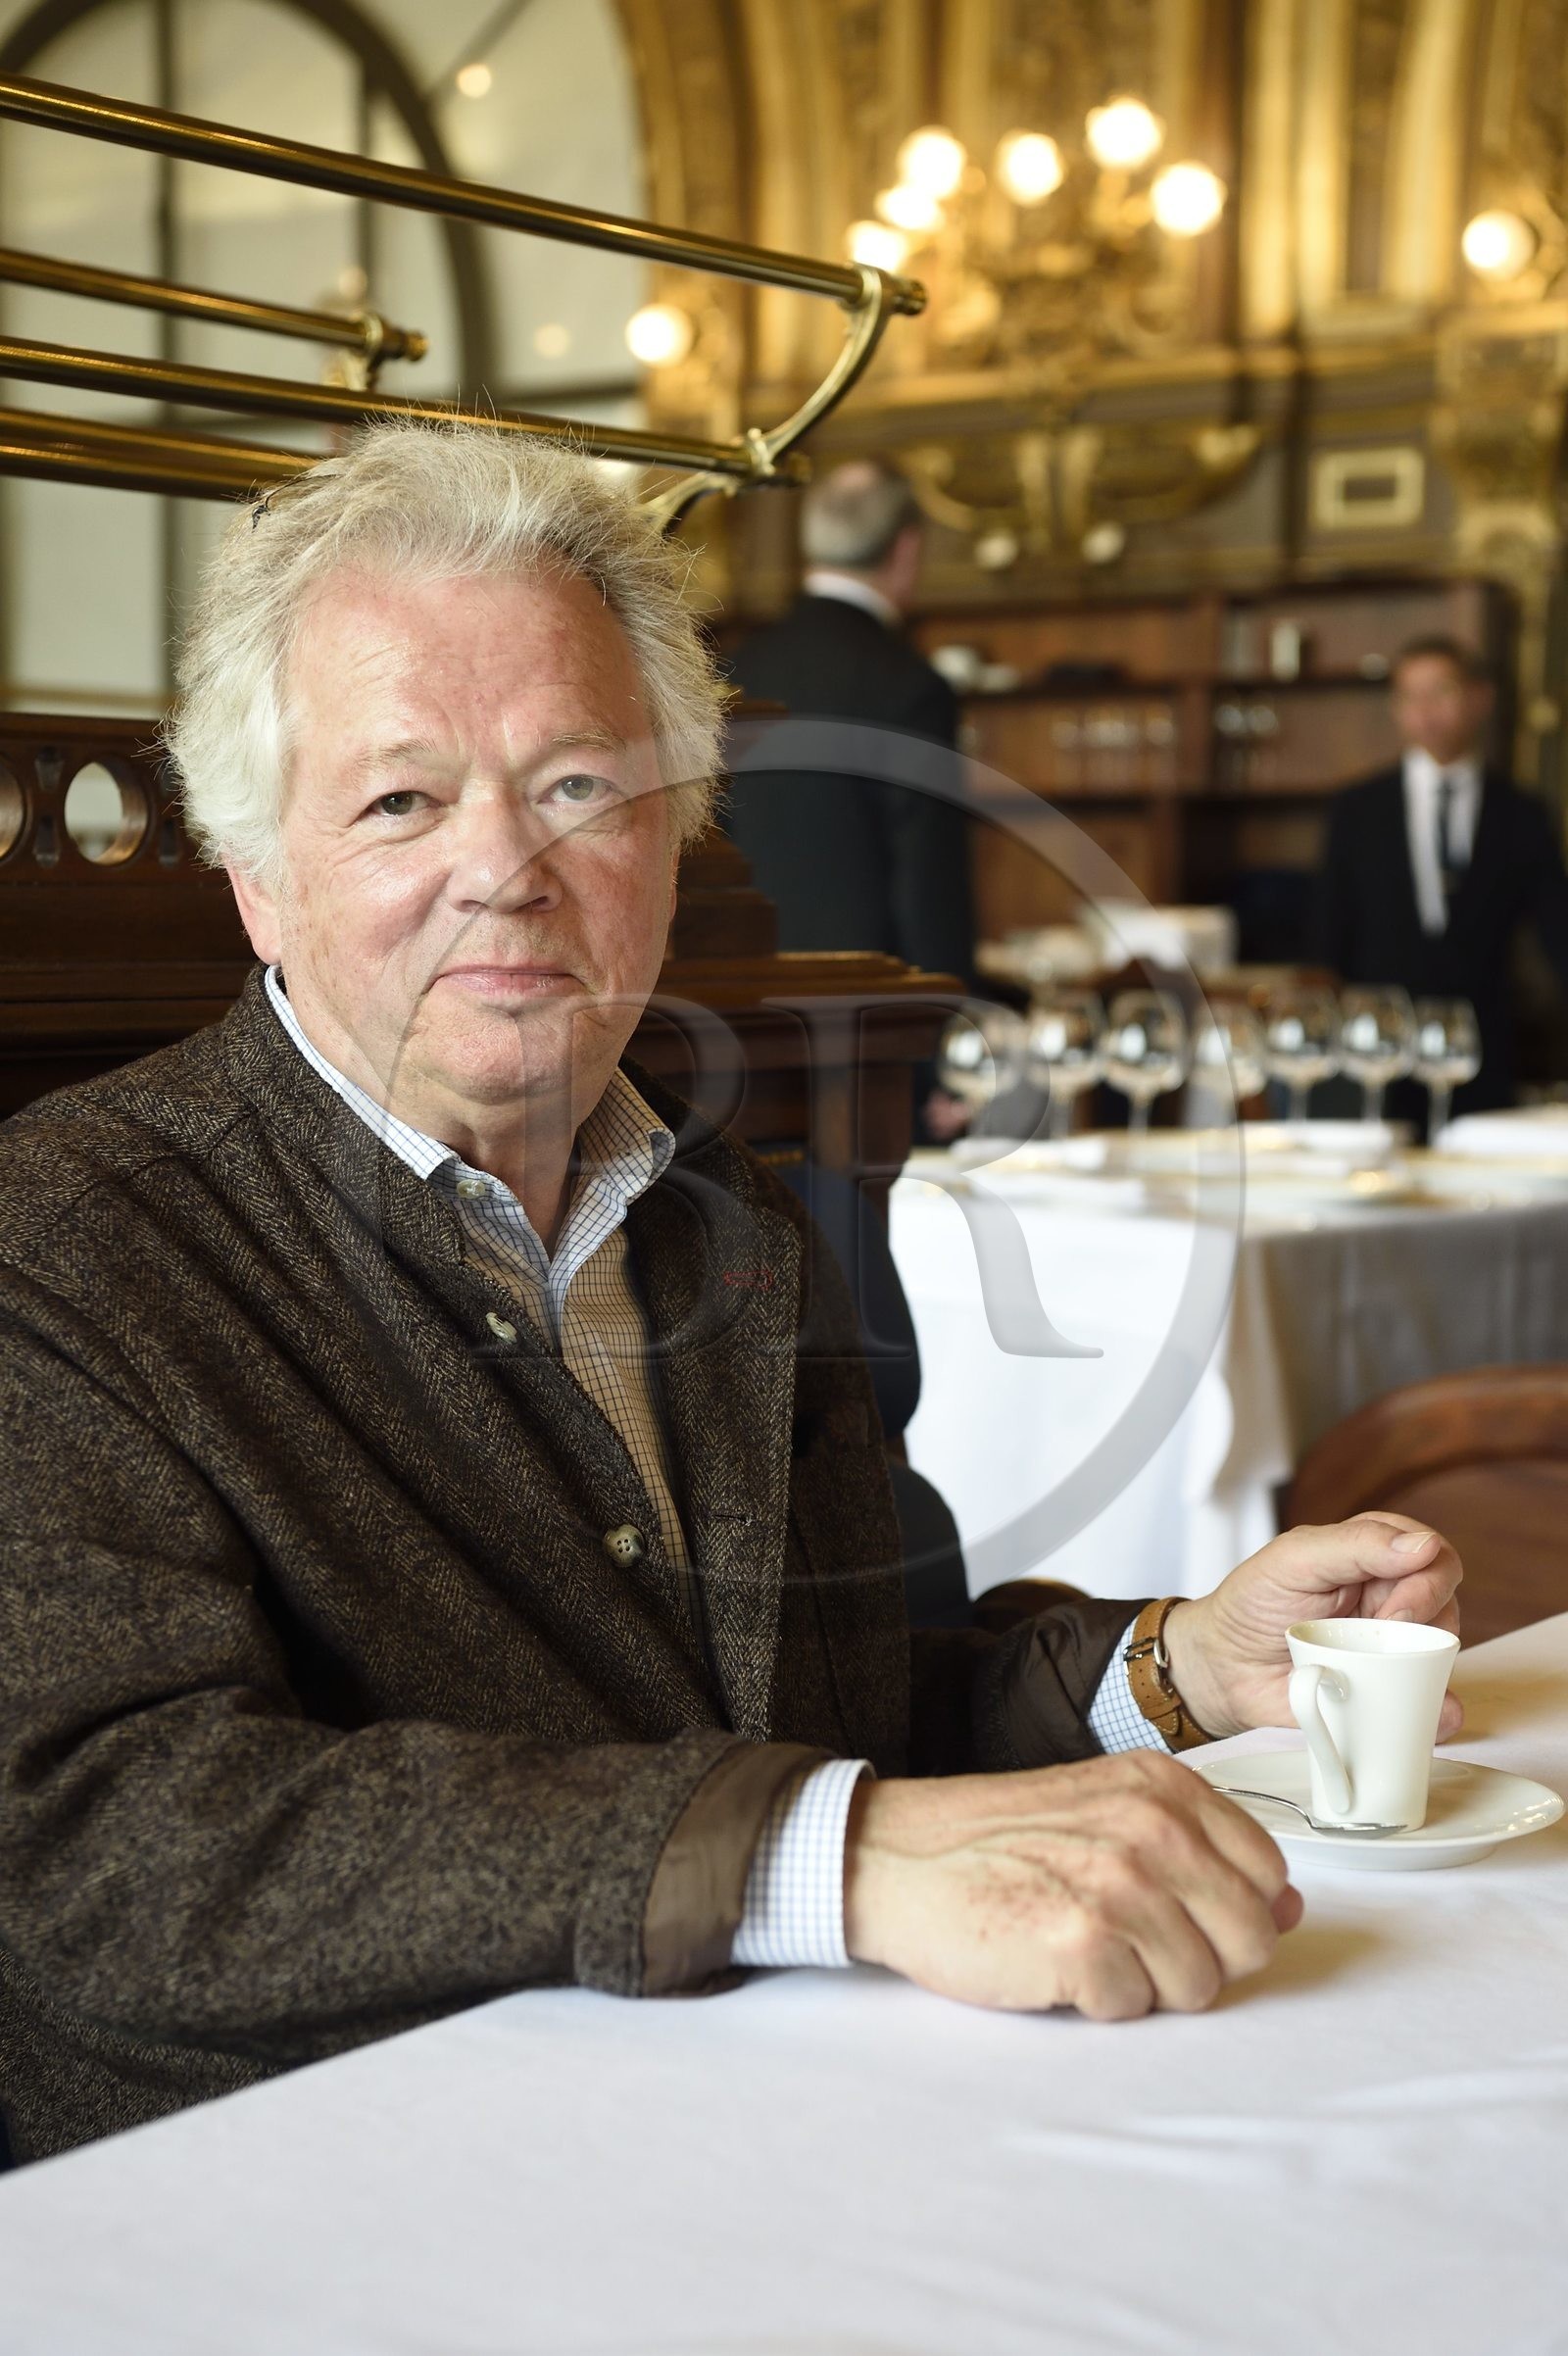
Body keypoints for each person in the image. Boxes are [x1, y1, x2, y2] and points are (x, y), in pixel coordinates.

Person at [0, 424, 1461, 2165]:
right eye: (399, 797)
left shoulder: (721, 1208)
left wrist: (1173, 1665)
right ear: (259, 878)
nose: (506, 868)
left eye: (576, 786)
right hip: (317, 2195)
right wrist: (823, 1854)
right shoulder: (66, 1239)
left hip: (776, 2131)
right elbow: (106, 1845)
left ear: (673, 836)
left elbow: (835, 1707)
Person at [721, 457, 975, 991]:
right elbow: (930, 883)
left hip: (745, 998)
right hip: (875, 1013)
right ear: (907, 550)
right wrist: (952, 1019)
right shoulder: (908, 684)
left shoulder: (737, 669)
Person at [1309, 635, 1568, 1114]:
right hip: (1378, 1049)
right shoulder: (1357, 810)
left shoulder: (1522, 814)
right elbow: (1330, 937)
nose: (1426, 711)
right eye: (1411, 696)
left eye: (1441, 692)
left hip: (1483, 1048)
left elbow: (1558, 929)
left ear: (1479, 699)